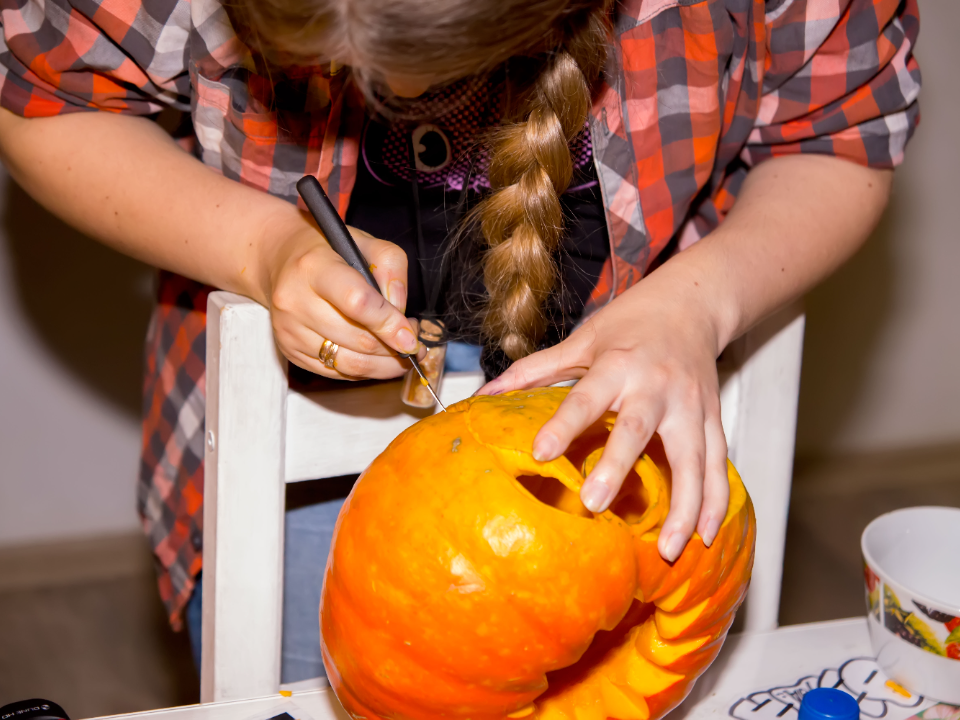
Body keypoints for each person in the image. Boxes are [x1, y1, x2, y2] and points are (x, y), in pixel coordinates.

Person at [0, 0, 919, 682]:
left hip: (638, 436)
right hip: (292, 466)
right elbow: (36, 101)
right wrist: (262, 246)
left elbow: (842, 134)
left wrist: (700, 303)